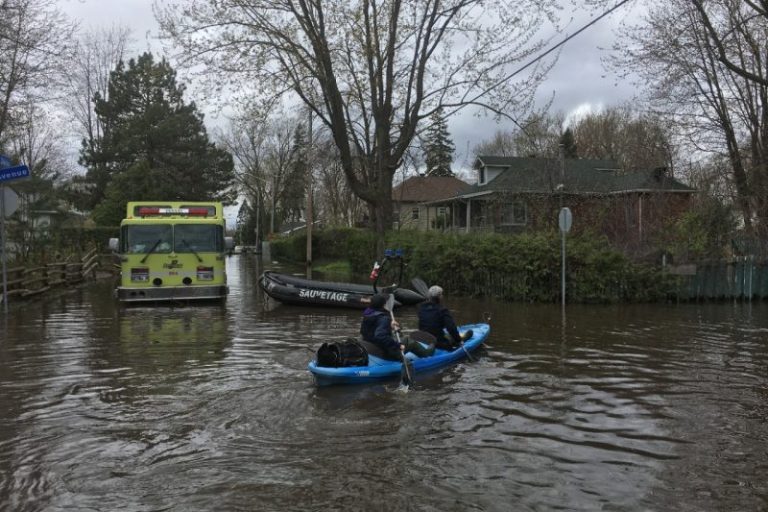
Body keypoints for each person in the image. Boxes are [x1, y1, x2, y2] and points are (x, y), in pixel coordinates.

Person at [360, 293, 434, 361]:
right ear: (383, 305)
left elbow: (371, 328)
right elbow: (380, 336)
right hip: (387, 351)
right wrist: (398, 346)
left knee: (398, 335)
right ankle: (427, 353)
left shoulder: (367, 313)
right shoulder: (383, 318)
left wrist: (389, 324)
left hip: (372, 348)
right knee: (409, 341)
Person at [417, 285, 472, 350]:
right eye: (441, 295)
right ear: (439, 297)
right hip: (439, 343)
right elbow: (451, 328)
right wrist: (459, 341)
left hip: (425, 340)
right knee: (470, 332)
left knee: (446, 335)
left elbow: (422, 325)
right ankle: (463, 338)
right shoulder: (443, 310)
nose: (442, 296)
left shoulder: (421, 308)